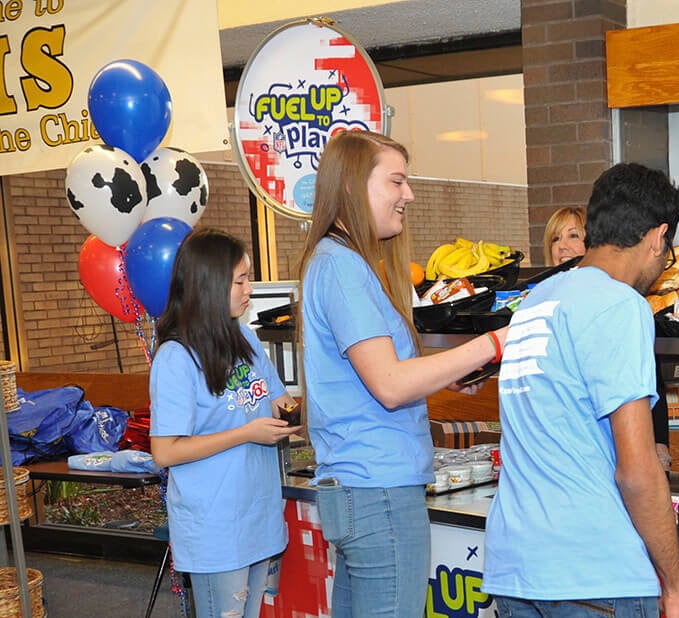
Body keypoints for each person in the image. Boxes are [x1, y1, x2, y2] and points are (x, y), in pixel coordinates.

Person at [299, 130, 507, 618]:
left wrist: (445, 375)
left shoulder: (339, 263)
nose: (408, 195)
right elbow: (390, 386)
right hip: (379, 493)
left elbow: (382, 374)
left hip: (359, 490)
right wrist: (494, 342)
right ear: (352, 187)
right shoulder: (344, 269)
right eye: (396, 181)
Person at [484, 162, 679, 617]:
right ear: (658, 237)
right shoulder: (621, 305)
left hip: (515, 568)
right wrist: (674, 584)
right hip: (592, 572)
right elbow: (636, 472)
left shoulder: (534, 302)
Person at [150, 228, 302, 618]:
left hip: (257, 515)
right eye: (240, 280)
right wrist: (246, 433)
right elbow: (165, 451)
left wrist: (292, 417)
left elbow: (281, 404)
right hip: (215, 527)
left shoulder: (245, 340)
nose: (249, 289)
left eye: (248, 278)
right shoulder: (176, 358)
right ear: (210, 285)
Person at [544, 206, 673, 471]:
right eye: (555, 239)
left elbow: (647, 383)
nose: (562, 247)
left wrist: (659, 444)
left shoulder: (621, 302)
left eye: (572, 236)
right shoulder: (541, 300)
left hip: (611, 451)